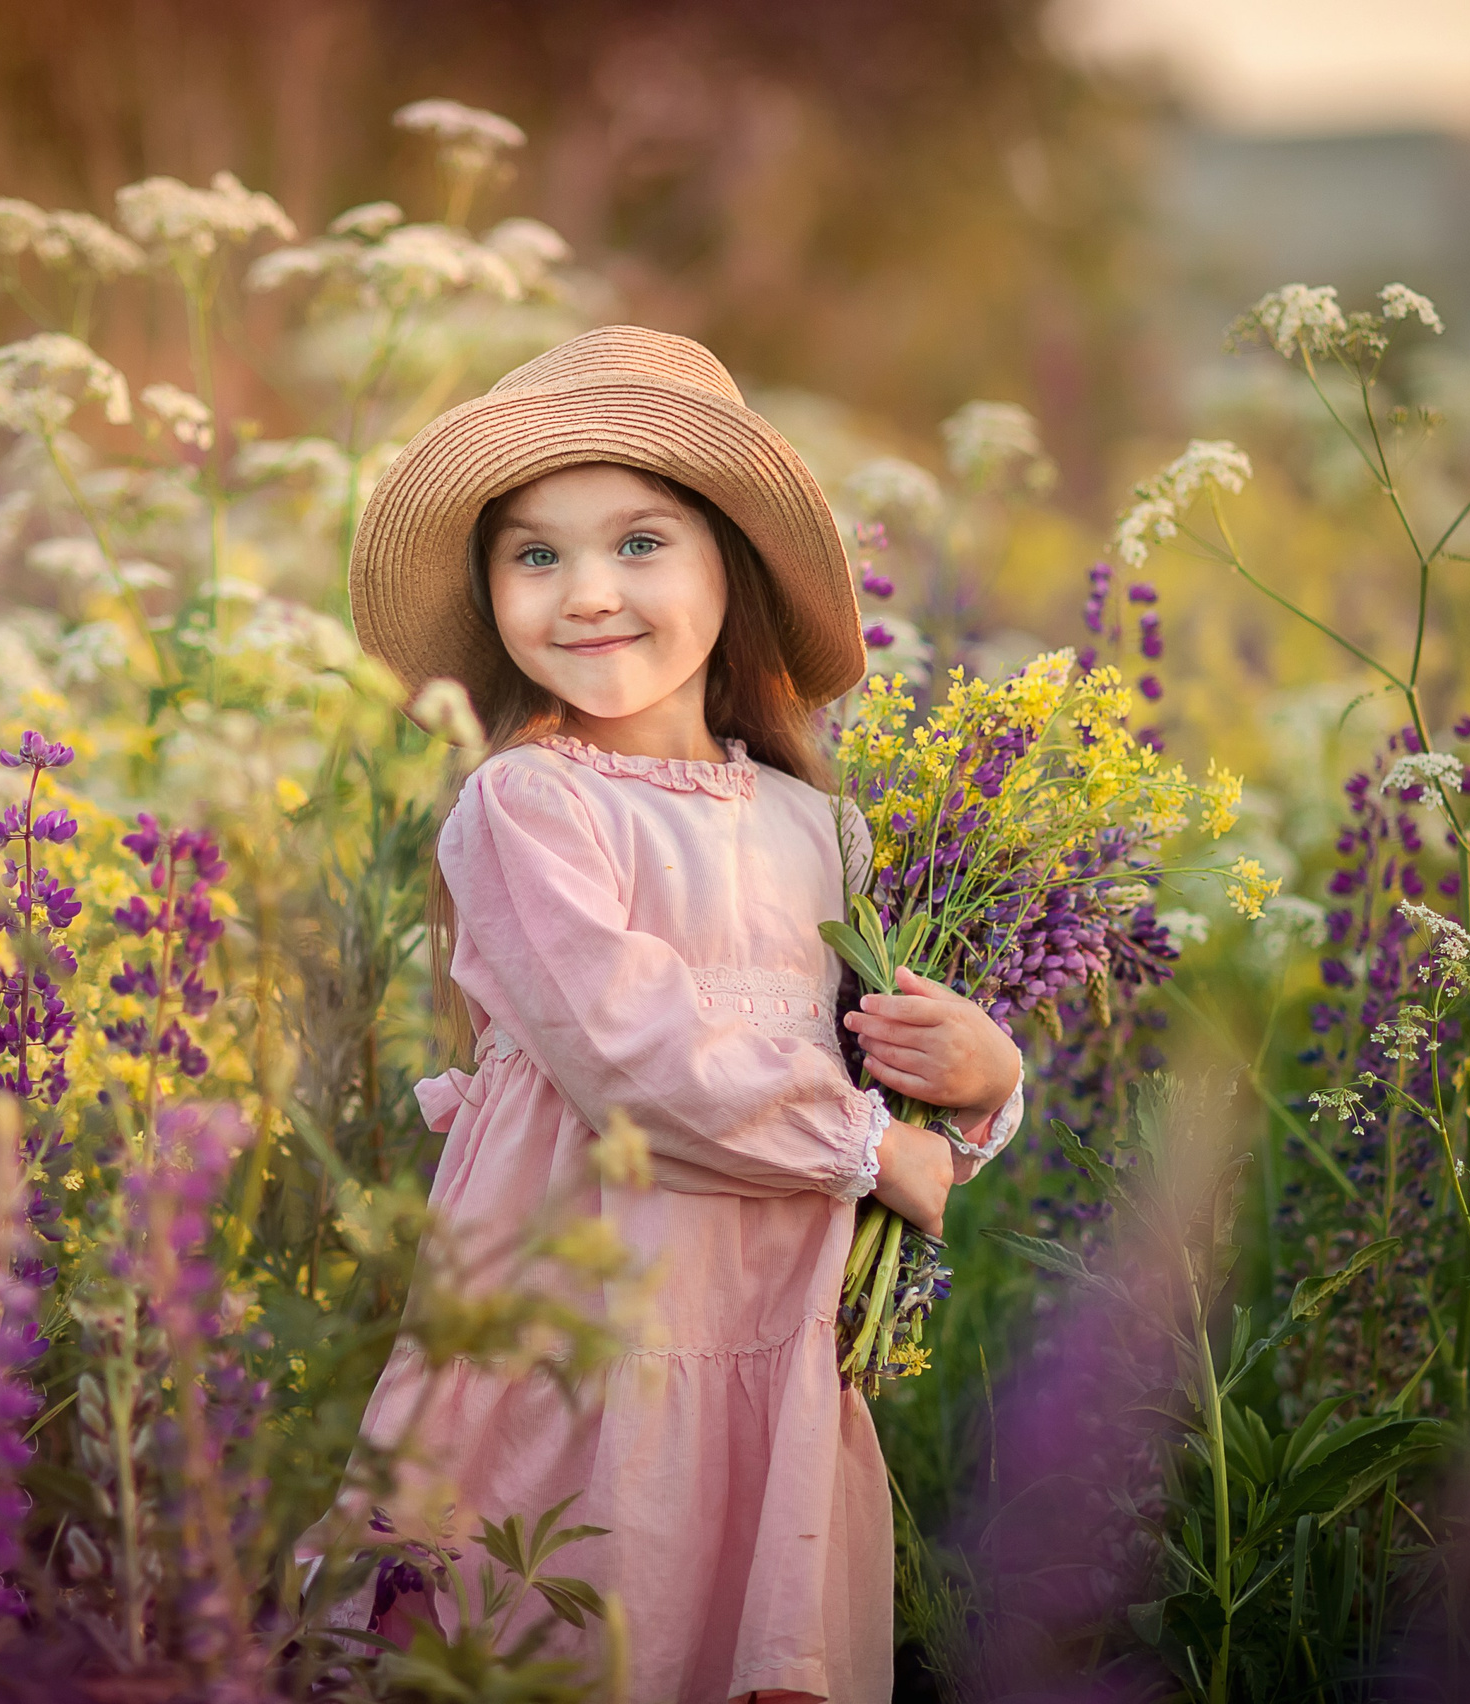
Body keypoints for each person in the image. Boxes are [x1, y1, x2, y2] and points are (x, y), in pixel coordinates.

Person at [324, 325, 1026, 1702]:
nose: (588, 592)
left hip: (776, 1338)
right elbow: (631, 1054)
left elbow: (888, 1094)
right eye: (535, 556)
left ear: (730, 569)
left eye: (640, 543)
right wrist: (872, 1151)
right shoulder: (529, 802)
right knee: (574, 1628)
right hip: (579, 1331)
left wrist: (982, 1085)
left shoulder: (826, 828)